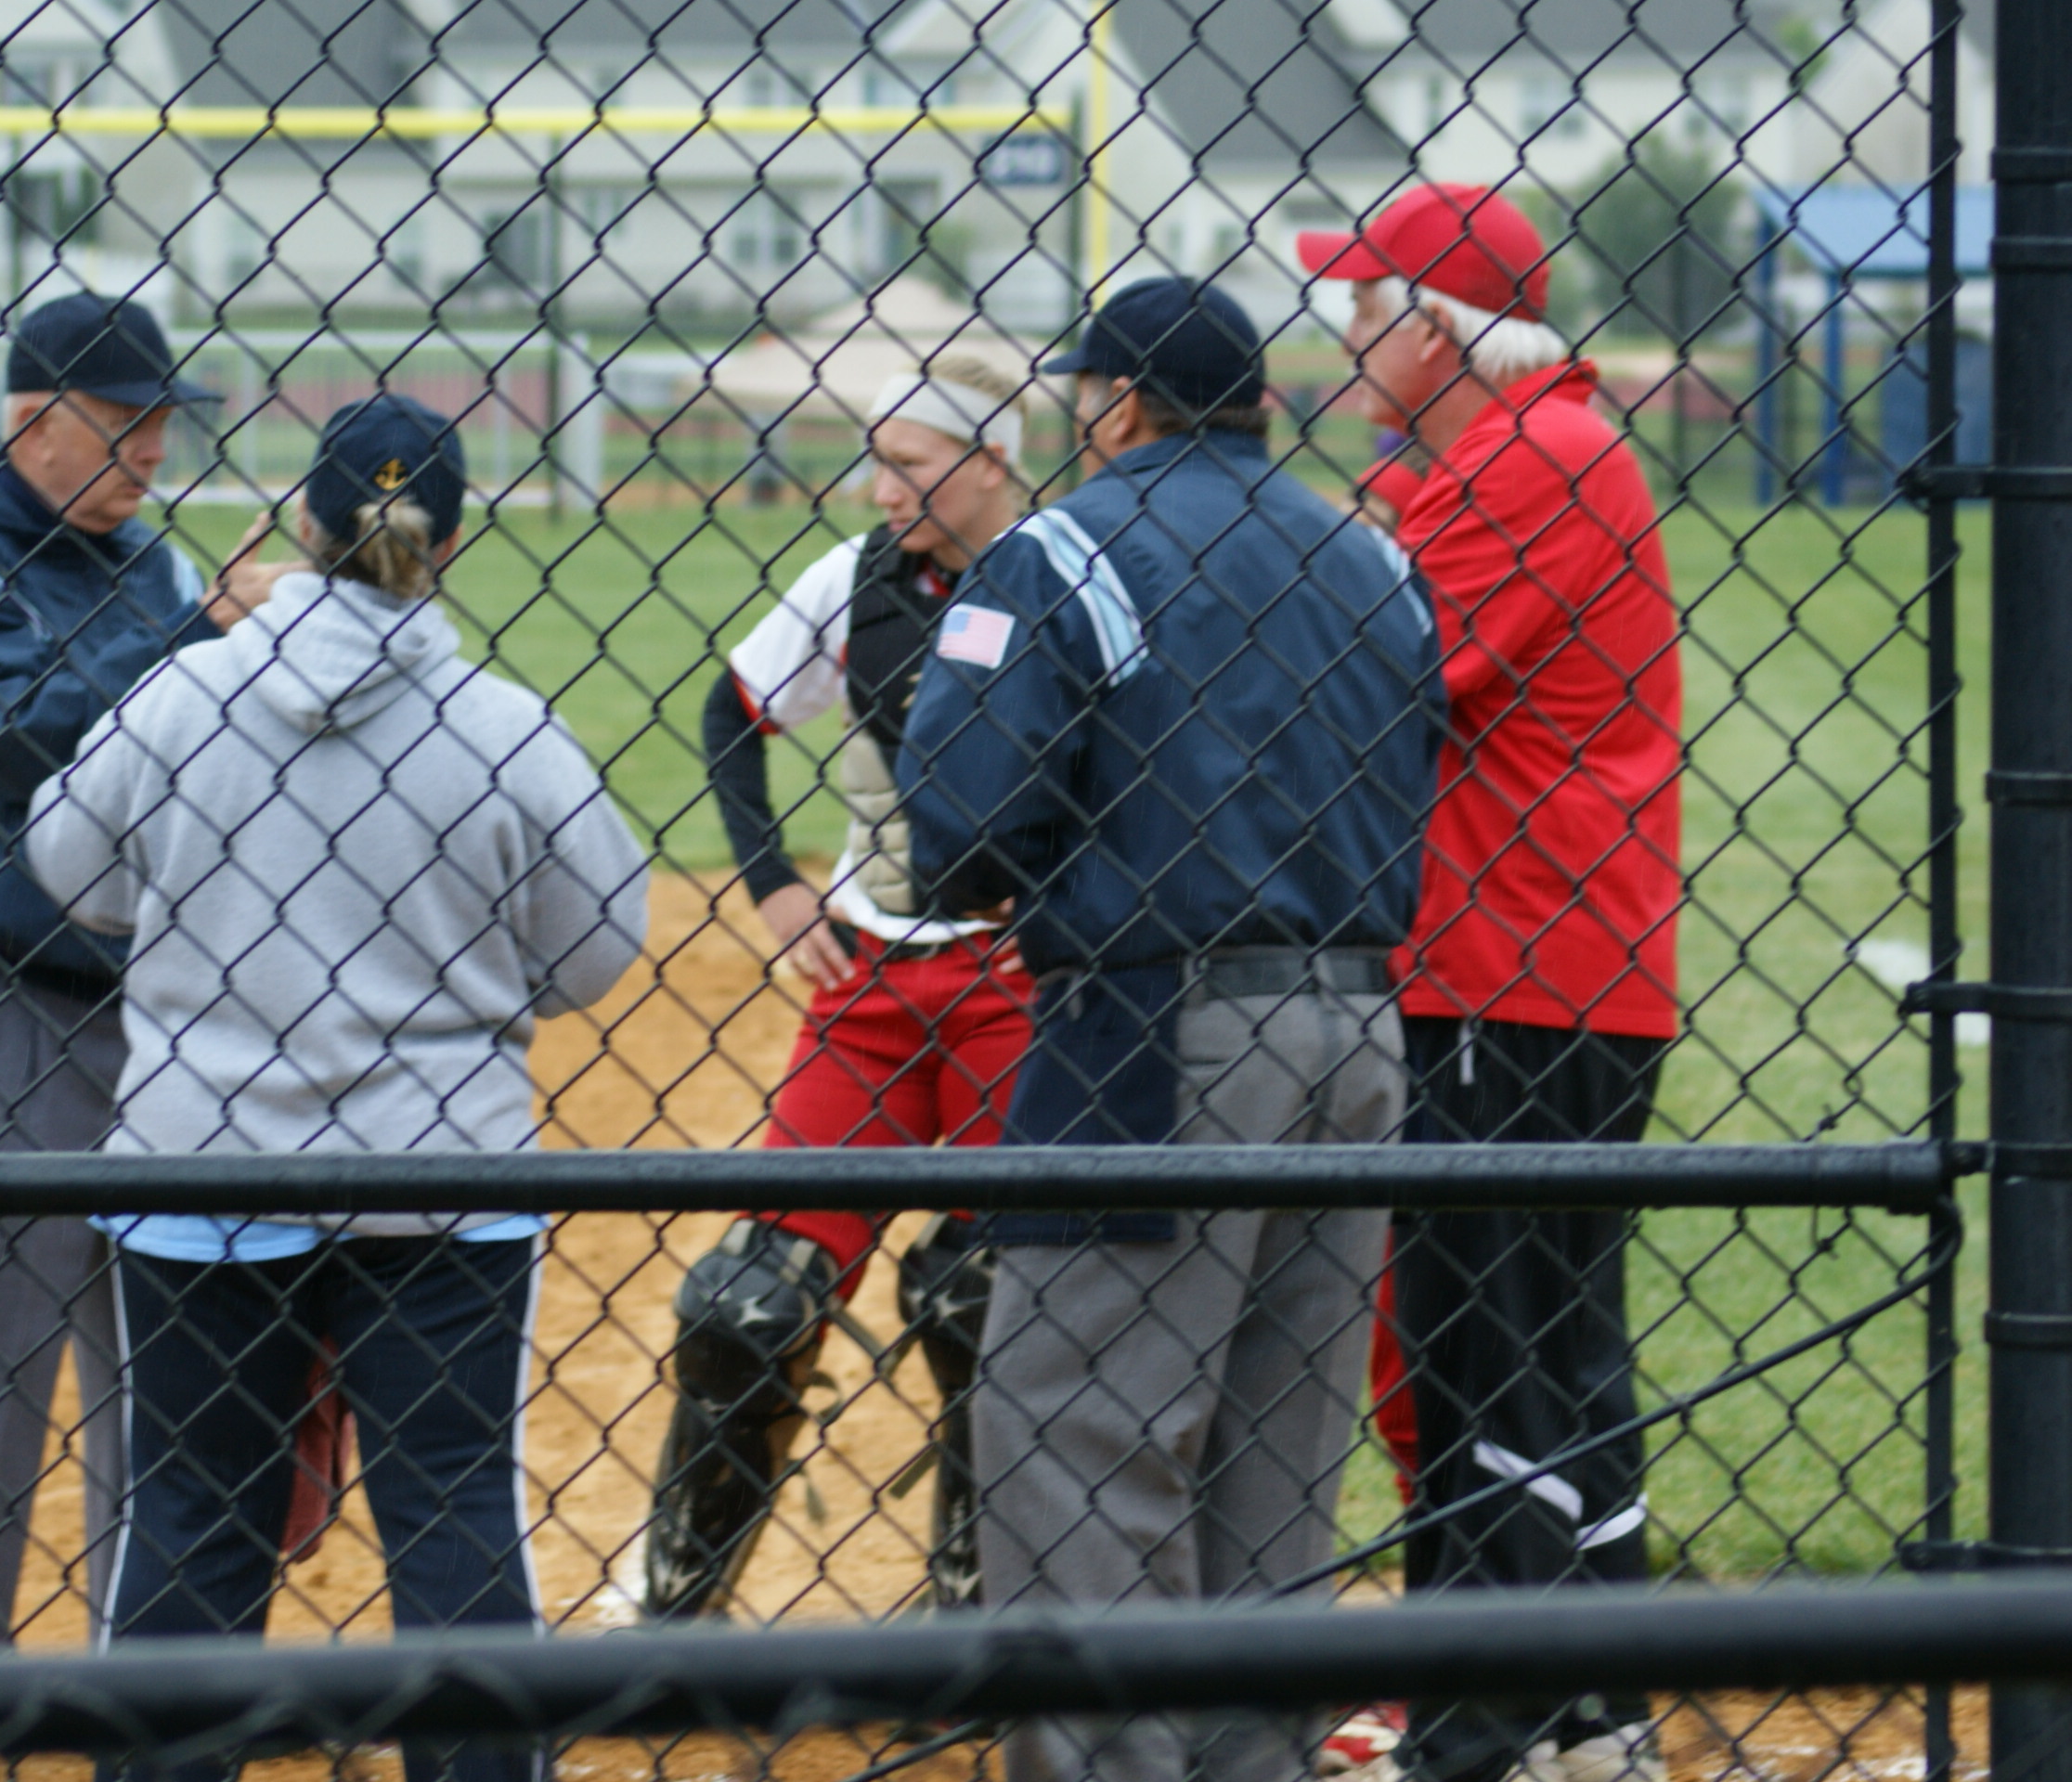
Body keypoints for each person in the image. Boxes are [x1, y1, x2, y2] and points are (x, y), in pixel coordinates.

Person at [27, 393, 648, 1782]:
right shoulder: (502, 723)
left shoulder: (188, 691)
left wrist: (184, 921)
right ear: (457, 544)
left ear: (301, 529)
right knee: (451, 1512)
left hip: (204, 1167)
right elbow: (600, 940)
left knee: (190, 1515)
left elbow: (68, 871)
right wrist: (480, 994)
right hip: (442, 1181)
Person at [898, 275, 1443, 1782]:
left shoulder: (1064, 547)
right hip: (1356, 1037)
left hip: (1155, 1036)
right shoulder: (1371, 555)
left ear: (1117, 405)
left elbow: (960, 819)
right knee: (1275, 1466)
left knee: (1077, 1436)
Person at [1301, 182, 1682, 1782]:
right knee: (1558, 1350)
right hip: (1559, 960)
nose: (1338, 328)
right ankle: (1596, 1721)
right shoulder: (1527, 449)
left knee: (1480, 1356)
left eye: (1364, 299)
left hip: (1505, 962)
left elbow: (1365, 685)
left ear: (1438, 325)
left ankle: (1478, 1734)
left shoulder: (1531, 459)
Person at [0, 292, 255, 1646]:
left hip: (162, 1018)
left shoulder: (149, 570)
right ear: (32, 422)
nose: (153, 452)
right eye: (125, 424)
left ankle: (145, 1675)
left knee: (165, 1373)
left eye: (162, 426)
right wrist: (199, 642)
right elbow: (27, 741)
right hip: (2, 1010)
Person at [649, 352, 1037, 1621]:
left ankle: (978, 1626)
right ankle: (675, 1616)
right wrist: (770, 881)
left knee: (985, 1302)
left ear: (990, 464)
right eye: (876, 461)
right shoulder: (856, 577)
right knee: (751, 1305)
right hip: (871, 977)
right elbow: (729, 712)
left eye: (911, 465)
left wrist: (1090, 904)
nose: (881, 488)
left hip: (1015, 994)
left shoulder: (1076, 572)